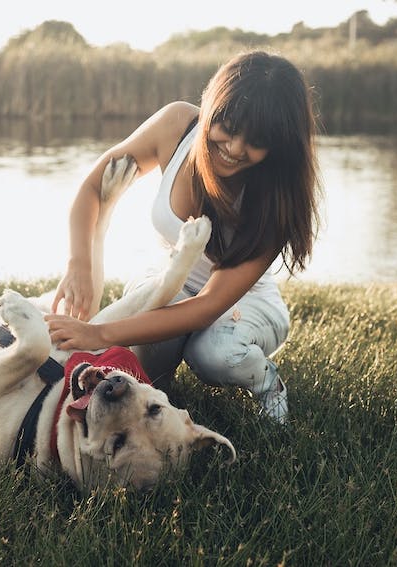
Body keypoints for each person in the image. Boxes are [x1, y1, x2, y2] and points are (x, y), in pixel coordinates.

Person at [44, 51, 321, 424]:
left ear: (280, 144)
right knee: (143, 380)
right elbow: (94, 186)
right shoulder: (177, 126)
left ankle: (268, 383)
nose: (235, 148)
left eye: (256, 141)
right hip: (168, 280)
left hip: (242, 304)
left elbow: (207, 306)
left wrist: (98, 333)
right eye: (228, 126)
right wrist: (78, 262)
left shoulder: (277, 197)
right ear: (212, 106)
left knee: (213, 354)